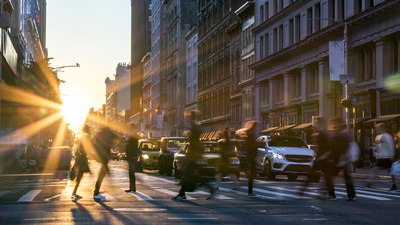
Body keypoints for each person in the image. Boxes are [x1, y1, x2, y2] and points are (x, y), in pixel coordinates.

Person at [172, 111, 215, 201]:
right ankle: (211, 189)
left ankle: (182, 194)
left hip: (193, 156)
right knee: (194, 175)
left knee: (188, 175)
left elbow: (194, 143)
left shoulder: (195, 129)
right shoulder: (195, 129)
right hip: (193, 156)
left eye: (190, 117)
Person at [298, 117, 329, 196]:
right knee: (317, 175)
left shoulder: (324, 134)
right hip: (320, 158)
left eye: (317, 123)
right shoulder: (320, 133)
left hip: (322, 158)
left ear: (321, 123)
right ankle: (303, 190)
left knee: (325, 176)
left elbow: (326, 147)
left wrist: (323, 156)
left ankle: (303, 190)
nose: (316, 124)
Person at [330, 118, 356, 201]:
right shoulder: (342, 133)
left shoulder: (342, 134)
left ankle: (331, 194)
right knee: (346, 177)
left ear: (340, 124)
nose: (334, 126)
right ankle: (351, 196)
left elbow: (341, 147)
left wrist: (342, 157)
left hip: (340, 159)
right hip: (342, 159)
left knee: (329, 176)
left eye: (336, 124)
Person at [365, 123, 397, 191]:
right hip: (380, 157)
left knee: (391, 171)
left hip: (387, 156)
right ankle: (370, 183)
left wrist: (392, 155)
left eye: (378, 128)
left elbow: (391, 146)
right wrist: (376, 154)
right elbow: (377, 147)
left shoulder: (388, 136)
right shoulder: (377, 137)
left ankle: (394, 185)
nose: (377, 130)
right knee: (375, 169)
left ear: (383, 128)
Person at [92, 127, 117, 200]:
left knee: (102, 174)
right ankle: (96, 192)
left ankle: (96, 191)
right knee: (102, 174)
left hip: (103, 157)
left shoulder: (102, 137)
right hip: (104, 158)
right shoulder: (106, 138)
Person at [71, 125, 91, 199]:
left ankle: (74, 191)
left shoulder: (83, 137)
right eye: (88, 129)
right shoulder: (85, 137)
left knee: (80, 174)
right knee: (80, 175)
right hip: (82, 159)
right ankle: (74, 192)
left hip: (82, 159)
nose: (89, 130)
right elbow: (86, 147)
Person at [243, 120, 258, 197]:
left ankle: (250, 191)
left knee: (252, 174)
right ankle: (250, 192)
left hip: (250, 156)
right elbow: (252, 145)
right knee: (252, 174)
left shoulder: (249, 133)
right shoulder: (251, 134)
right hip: (251, 156)